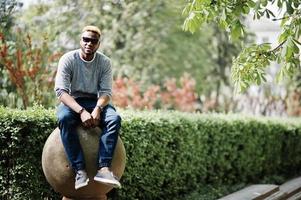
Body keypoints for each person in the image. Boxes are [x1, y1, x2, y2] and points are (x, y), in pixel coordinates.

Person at [54, 25, 121, 190]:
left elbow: (106, 92)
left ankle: (104, 168)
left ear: (98, 44)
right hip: (73, 102)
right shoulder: (68, 59)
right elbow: (61, 92)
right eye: (86, 39)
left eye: (93, 41)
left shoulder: (104, 62)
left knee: (114, 119)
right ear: (80, 40)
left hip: (95, 101)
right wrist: (82, 111)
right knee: (64, 118)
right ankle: (80, 170)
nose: (89, 43)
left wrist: (98, 108)